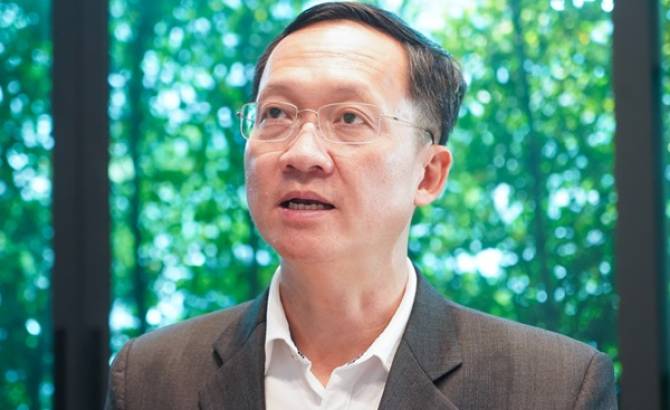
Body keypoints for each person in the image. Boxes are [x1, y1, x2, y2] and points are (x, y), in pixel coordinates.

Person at [105, 2, 617, 409]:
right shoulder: (151, 377)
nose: (302, 153)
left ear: (429, 174)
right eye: (276, 113)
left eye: (349, 118)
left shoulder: (553, 387)